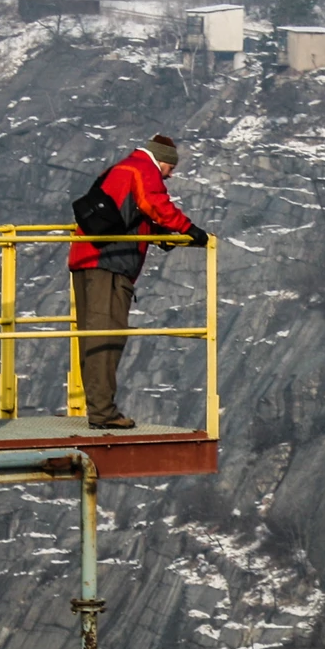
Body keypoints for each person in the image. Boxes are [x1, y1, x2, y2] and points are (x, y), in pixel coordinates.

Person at [69, 133, 209, 430]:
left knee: (93, 336)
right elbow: (154, 202)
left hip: (87, 261)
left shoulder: (121, 169)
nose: (170, 176)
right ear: (162, 161)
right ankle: (103, 413)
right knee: (107, 338)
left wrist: (158, 235)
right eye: (170, 169)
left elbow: (130, 212)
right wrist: (190, 229)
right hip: (109, 264)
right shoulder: (145, 170)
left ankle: (98, 406)